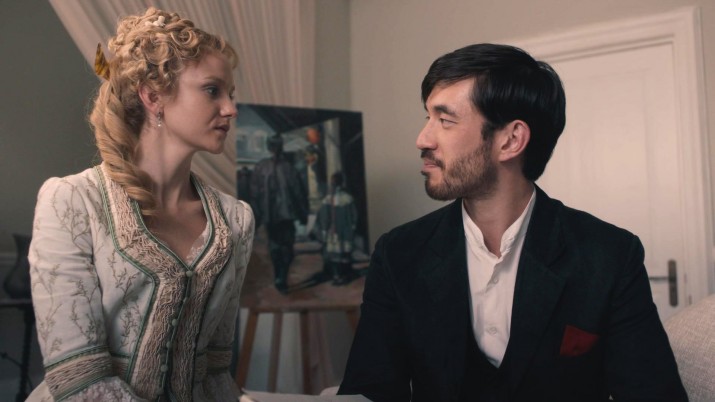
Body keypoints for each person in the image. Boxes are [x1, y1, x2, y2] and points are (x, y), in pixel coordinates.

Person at [339, 43, 687, 401]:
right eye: (427, 117)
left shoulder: (609, 255)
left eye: (445, 120)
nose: (422, 139)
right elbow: (369, 392)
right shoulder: (398, 254)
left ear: (511, 140)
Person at [27, 7, 254, 401]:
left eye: (230, 95)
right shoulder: (71, 202)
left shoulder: (236, 219)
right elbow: (79, 379)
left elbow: (217, 371)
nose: (230, 109)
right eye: (212, 90)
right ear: (153, 96)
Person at [250, 134, 309, 293]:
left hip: (272, 216)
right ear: (281, 147)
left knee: (277, 246)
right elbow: (298, 193)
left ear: (269, 147)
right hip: (284, 215)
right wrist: (303, 214)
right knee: (285, 247)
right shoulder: (289, 168)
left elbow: (255, 195)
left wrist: (258, 216)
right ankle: (281, 276)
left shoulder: (262, 167)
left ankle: (280, 276)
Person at [313, 171, 359, 285]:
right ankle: (341, 275)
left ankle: (339, 275)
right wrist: (352, 227)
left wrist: (324, 230)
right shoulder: (345, 198)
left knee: (337, 254)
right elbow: (353, 216)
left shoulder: (331, 199)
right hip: (342, 231)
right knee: (341, 254)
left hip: (337, 231)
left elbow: (324, 218)